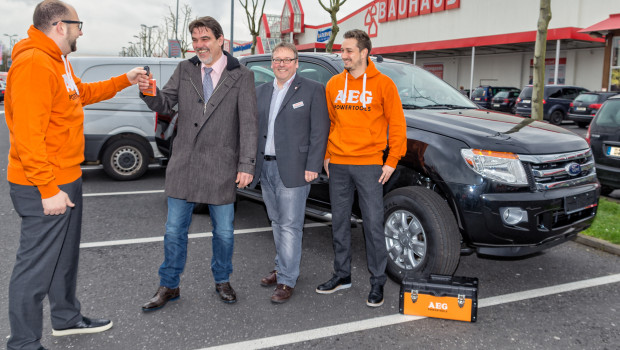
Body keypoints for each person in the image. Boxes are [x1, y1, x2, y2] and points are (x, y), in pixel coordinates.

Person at [4, 1, 145, 349]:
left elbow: (81, 95)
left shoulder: (58, 61)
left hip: (65, 176)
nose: (81, 30)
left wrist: (124, 80)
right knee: (35, 267)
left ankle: (66, 319)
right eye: (77, 24)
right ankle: (23, 341)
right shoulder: (35, 63)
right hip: (43, 183)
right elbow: (26, 135)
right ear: (58, 26)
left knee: (64, 257)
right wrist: (48, 189)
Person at [138, 16, 257, 311]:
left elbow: (250, 124)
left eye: (205, 39)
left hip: (221, 166)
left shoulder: (241, 75)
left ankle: (222, 280)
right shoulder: (184, 69)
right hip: (185, 165)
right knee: (173, 231)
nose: (199, 46)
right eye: (195, 40)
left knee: (225, 233)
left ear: (220, 41)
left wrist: (247, 164)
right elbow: (165, 103)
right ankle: (169, 285)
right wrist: (149, 91)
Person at [316, 29, 407, 307]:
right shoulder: (333, 84)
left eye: (348, 51)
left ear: (364, 53)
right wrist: (328, 155)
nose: (343, 55)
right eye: (342, 51)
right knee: (339, 223)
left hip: (369, 165)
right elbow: (331, 123)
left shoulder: (384, 85)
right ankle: (342, 275)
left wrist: (392, 161)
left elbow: (397, 125)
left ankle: (377, 281)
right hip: (339, 164)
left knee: (372, 225)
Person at [250, 42, 329, 303]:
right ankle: (282, 266)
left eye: (286, 59)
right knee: (276, 221)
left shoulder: (313, 90)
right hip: (266, 167)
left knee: (290, 226)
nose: (281, 64)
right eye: (276, 60)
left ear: (297, 63)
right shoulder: (261, 92)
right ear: (271, 64)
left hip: (295, 168)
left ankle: (286, 280)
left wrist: (313, 166)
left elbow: (320, 132)